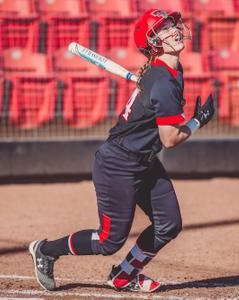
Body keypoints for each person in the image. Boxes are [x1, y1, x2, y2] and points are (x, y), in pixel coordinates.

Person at [29, 9, 215, 293]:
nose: (173, 31)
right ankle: (46, 249)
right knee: (108, 241)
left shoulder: (168, 71)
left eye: (171, 25)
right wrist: (198, 121)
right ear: (152, 43)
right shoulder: (163, 80)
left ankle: (123, 275)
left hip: (144, 161)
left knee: (169, 224)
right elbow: (169, 139)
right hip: (118, 164)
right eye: (163, 30)